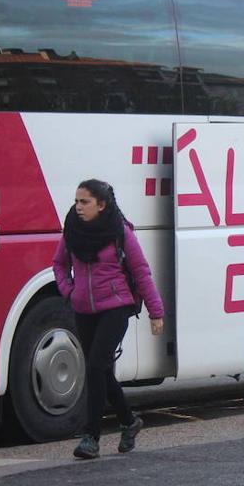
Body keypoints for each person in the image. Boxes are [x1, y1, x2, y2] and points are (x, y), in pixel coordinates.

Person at [53, 179, 165, 460]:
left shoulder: (120, 232)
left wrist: (156, 312)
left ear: (101, 205)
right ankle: (129, 421)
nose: (78, 207)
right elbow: (59, 264)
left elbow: (141, 272)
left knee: (94, 367)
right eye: (76, 201)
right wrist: (69, 291)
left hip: (116, 306)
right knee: (100, 370)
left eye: (85, 202)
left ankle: (91, 437)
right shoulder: (72, 231)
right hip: (83, 308)